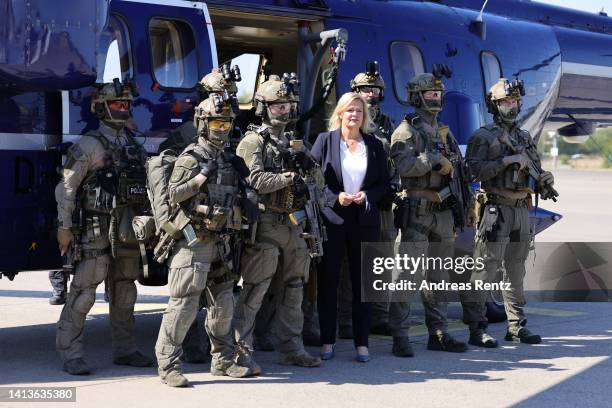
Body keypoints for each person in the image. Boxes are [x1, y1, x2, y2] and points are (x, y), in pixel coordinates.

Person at [390, 71, 496, 353]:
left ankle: (438, 332)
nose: (434, 98)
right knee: (409, 275)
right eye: (429, 94)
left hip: (444, 213)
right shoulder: (406, 132)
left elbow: (459, 173)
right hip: (418, 212)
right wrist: (432, 160)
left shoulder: (443, 133)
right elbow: (402, 167)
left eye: (437, 94)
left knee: (439, 276)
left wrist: (470, 204)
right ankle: (399, 335)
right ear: (416, 97)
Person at [154, 94, 256, 387]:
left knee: (224, 302)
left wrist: (246, 198)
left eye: (226, 123)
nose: (222, 128)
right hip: (193, 240)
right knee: (184, 304)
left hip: (222, 242)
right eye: (216, 122)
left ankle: (222, 361)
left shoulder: (229, 159)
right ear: (203, 123)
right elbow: (174, 194)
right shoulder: (191, 158)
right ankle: (168, 364)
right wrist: (200, 177)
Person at [55, 79, 153, 375]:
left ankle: (125, 350)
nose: (122, 109)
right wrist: (64, 226)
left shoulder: (133, 143)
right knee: (84, 292)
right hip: (96, 228)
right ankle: (70, 353)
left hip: (126, 231)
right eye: (117, 104)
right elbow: (66, 188)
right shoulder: (88, 145)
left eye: (126, 105)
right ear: (101, 108)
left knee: (125, 292)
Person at [234, 74, 322, 372]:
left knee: (295, 286)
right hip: (267, 221)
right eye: (277, 105)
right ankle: (240, 351)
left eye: (287, 104)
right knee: (256, 288)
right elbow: (253, 179)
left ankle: (292, 348)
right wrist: (289, 177)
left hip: (294, 222)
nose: (283, 110)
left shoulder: (295, 141)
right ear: (263, 106)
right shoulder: (252, 141)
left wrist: (310, 168)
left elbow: (317, 181)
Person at [465, 78, 557, 345]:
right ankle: (476, 328)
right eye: (506, 101)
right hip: (496, 209)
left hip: (521, 210)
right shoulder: (483, 136)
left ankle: (516, 325)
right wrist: (505, 160)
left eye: (515, 101)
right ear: (495, 105)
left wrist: (545, 178)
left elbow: (534, 169)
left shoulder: (524, 137)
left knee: (516, 271)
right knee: (484, 268)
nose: (512, 106)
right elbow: (473, 171)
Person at [311, 92, 390, 363]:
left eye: (359, 111)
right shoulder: (325, 141)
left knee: (362, 285)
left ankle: (362, 344)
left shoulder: (374, 144)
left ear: (363, 116)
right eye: (349, 110)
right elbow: (313, 181)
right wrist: (336, 197)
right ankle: (327, 341)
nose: (354, 115)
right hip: (332, 221)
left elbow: (384, 184)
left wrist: (367, 196)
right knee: (329, 283)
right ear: (340, 113)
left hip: (364, 221)